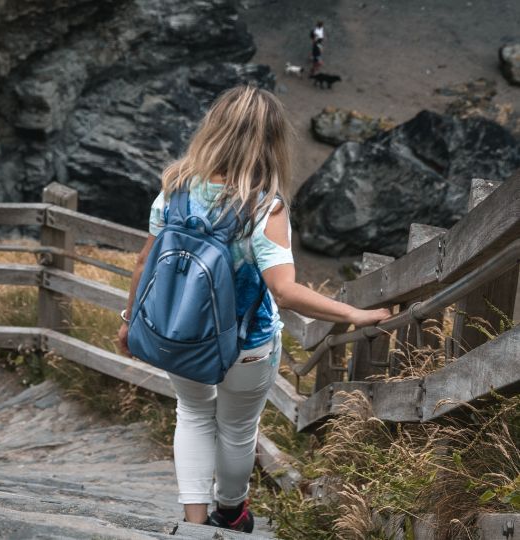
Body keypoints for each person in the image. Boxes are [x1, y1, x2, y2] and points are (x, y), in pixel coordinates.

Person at [116, 86, 390, 532]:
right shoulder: (265, 207)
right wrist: (354, 314)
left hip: (180, 332)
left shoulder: (176, 190)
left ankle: (194, 522)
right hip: (248, 345)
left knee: (193, 414)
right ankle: (230, 511)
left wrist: (130, 322)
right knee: (238, 429)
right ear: (272, 142)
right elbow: (285, 292)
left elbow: (145, 262)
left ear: (214, 130)